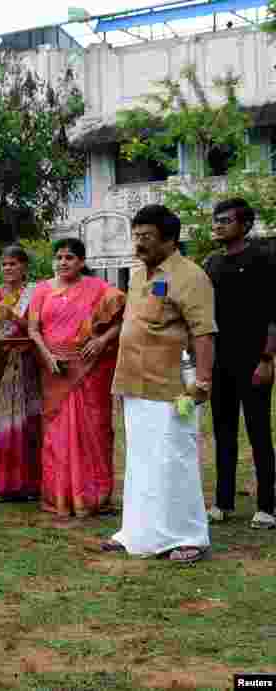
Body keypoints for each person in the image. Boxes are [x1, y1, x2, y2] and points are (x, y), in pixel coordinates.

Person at [106, 204, 215, 563]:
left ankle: (189, 537)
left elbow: (203, 333)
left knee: (174, 460)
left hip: (172, 387)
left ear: (169, 239)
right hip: (135, 384)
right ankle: (137, 532)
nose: (139, 243)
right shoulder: (138, 275)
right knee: (141, 461)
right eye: (136, 236)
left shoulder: (191, 276)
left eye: (147, 237)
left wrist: (202, 380)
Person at [28, 238, 125, 519]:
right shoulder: (42, 290)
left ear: (81, 261)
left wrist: (102, 340)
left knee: (93, 430)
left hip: (89, 370)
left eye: (69, 257)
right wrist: (47, 357)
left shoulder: (98, 289)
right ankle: (60, 495)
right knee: (56, 433)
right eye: (59, 257)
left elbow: (123, 315)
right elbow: (34, 329)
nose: (63, 262)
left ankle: (94, 495)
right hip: (54, 369)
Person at [204, 199, 276, 530]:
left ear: (245, 225)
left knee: (259, 432)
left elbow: (273, 316)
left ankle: (266, 507)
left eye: (225, 220)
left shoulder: (263, 258)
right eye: (215, 220)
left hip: (254, 360)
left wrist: (267, 359)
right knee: (224, 432)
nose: (218, 225)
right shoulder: (211, 263)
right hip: (221, 361)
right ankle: (223, 502)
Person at [0, 246, 42, 502]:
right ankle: (5, 485)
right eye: (4, 264)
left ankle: (31, 484)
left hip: (29, 366)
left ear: (24, 267)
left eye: (13, 264)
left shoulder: (36, 294)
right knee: (3, 424)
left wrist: (14, 319)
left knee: (30, 424)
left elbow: (39, 328)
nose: (8, 268)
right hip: (2, 364)